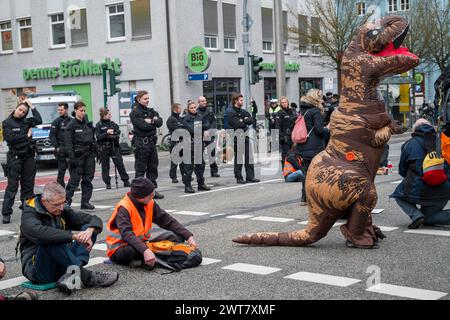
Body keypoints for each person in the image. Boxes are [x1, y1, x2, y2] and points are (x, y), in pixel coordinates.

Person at [19, 182, 118, 294]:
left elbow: (93, 219)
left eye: (63, 203)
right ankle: (86, 276)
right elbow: (40, 233)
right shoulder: (29, 213)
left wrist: (90, 230)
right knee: (51, 239)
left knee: (88, 229)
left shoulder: (62, 209)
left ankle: (72, 273)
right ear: (44, 201)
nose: (61, 208)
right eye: (56, 205)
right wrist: (73, 236)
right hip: (39, 270)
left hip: (61, 261)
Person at [106, 177, 198, 268]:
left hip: (142, 243)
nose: (153, 195)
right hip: (120, 249)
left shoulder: (149, 202)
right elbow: (127, 234)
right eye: (151, 194)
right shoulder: (124, 208)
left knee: (175, 236)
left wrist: (188, 235)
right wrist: (145, 250)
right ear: (141, 197)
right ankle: (148, 257)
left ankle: (145, 257)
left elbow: (166, 220)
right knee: (134, 250)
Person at [390, 119, 450, 229]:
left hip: (418, 188)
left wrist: (410, 178)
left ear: (414, 129)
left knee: (398, 195)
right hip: (443, 188)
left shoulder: (409, 144)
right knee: (429, 218)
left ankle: (416, 215)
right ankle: (423, 216)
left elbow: (402, 170)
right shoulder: (440, 142)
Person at [2, 98, 42, 224]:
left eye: (24, 111)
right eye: (20, 110)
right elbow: (11, 139)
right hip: (15, 158)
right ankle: (6, 213)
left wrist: (32, 106)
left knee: (28, 186)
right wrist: (27, 136)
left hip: (28, 157)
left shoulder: (27, 121)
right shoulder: (7, 122)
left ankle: (27, 210)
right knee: (12, 186)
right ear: (16, 108)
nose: (21, 113)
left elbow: (39, 120)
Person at [296, 89, 330, 205]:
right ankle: (316, 197)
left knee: (306, 171)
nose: (322, 99)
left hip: (303, 145)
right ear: (316, 98)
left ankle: (304, 198)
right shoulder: (315, 111)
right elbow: (319, 130)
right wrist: (328, 130)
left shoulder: (302, 110)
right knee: (318, 172)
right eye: (320, 97)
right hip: (315, 146)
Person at [130, 91, 164, 199]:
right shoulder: (135, 112)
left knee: (153, 167)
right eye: (145, 99)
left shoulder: (150, 110)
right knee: (140, 169)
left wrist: (151, 122)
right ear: (139, 99)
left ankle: (151, 191)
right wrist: (151, 123)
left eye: (148, 98)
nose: (147, 100)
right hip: (141, 143)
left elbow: (160, 122)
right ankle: (137, 193)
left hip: (151, 143)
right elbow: (142, 126)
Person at [65, 102, 96, 210]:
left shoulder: (87, 124)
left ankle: (85, 202)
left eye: (84, 110)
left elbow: (92, 138)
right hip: (78, 155)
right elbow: (68, 143)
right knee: (74, 181)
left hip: (89, 154)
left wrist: (97, 151)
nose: (83, 112)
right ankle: (66, 202)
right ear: (76, 111)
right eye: (81, 110)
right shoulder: (71, 125)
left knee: (88, 179)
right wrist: (71, 158)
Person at [227, 93, 260, 184]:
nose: (242, 102)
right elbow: (237, 124)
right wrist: (243, 121)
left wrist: (243, 120)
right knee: (239, 158)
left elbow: (250, 120)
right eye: (240, 100)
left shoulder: (243, 111)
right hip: (236, 136)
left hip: (245, 135)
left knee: (249, 157)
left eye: (242, 100)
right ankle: (239, 177)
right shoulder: (230, 112)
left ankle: (250, 177)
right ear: (235, 101)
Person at [95, 107, 130, 189]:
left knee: (119, 164)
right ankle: (107, 183)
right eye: (108, 114)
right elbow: (98, 137)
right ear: (103, 115)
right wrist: (106, 133)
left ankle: (126, 181)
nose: (110, 115)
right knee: (105, 166)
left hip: (114, 146)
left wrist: (112, 135)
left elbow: (117, 132)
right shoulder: (99, 125)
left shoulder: (113, 124)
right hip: (104, 148)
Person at [181, 101, 212, 193]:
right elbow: (192, 130)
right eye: (192, 108)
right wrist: (202, 128)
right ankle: (187, 186)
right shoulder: (186, 118)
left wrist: (201, 127)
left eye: (195, 107)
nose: (194, 109)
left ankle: (201, 183)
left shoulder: (199, 116)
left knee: (200, 165)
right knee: (189, 166)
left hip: (199, 143)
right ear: (188, 109)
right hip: (189, 144)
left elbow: (207, 124)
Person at [50, 103, 72, 188]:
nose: (59, 111)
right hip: (61, 148)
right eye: (58, 110)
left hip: (70, 149)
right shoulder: (56, 122)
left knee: (73, 169)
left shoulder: (71, 120)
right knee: (61, 171)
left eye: (61, 110)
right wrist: (57, 147)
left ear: (66, 110)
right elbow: (51, 136)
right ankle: (60, 187)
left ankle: (73, 185)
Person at [197, 96, 220, 178]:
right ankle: (199, 173)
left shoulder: (209, 111)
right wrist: (203, 131)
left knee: (212, 152)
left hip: (209, 134)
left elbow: (213, 122)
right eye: (202, 101)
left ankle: (214, 171)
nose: (204, 102)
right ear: (199, 102)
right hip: (200, 135)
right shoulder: (196, 112)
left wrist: (210, 130)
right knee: (199, 154)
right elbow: (197, 125)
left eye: (205, 101)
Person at [275, 96, 297, 165]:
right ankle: (285, 170)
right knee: (285, 155)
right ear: (280, 104)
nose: (284, 104)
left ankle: (293, 169)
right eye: (282, 102)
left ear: (288, 103)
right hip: (285, 137)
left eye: (285, 102)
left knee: (294, 154)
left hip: (293, 136)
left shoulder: (292, 112)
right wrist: (281, 137)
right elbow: (277, 126)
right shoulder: (279, 113)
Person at [166, 103, 185, 183]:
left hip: (182, 142)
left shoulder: (180, 119)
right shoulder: (170, 119)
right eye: (179, 108)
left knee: (183, 161)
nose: (181, 110)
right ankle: (173, 177)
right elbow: (177, 130)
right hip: (175, 142)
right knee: (174, 161)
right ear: (175, 109)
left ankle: (184, 175)